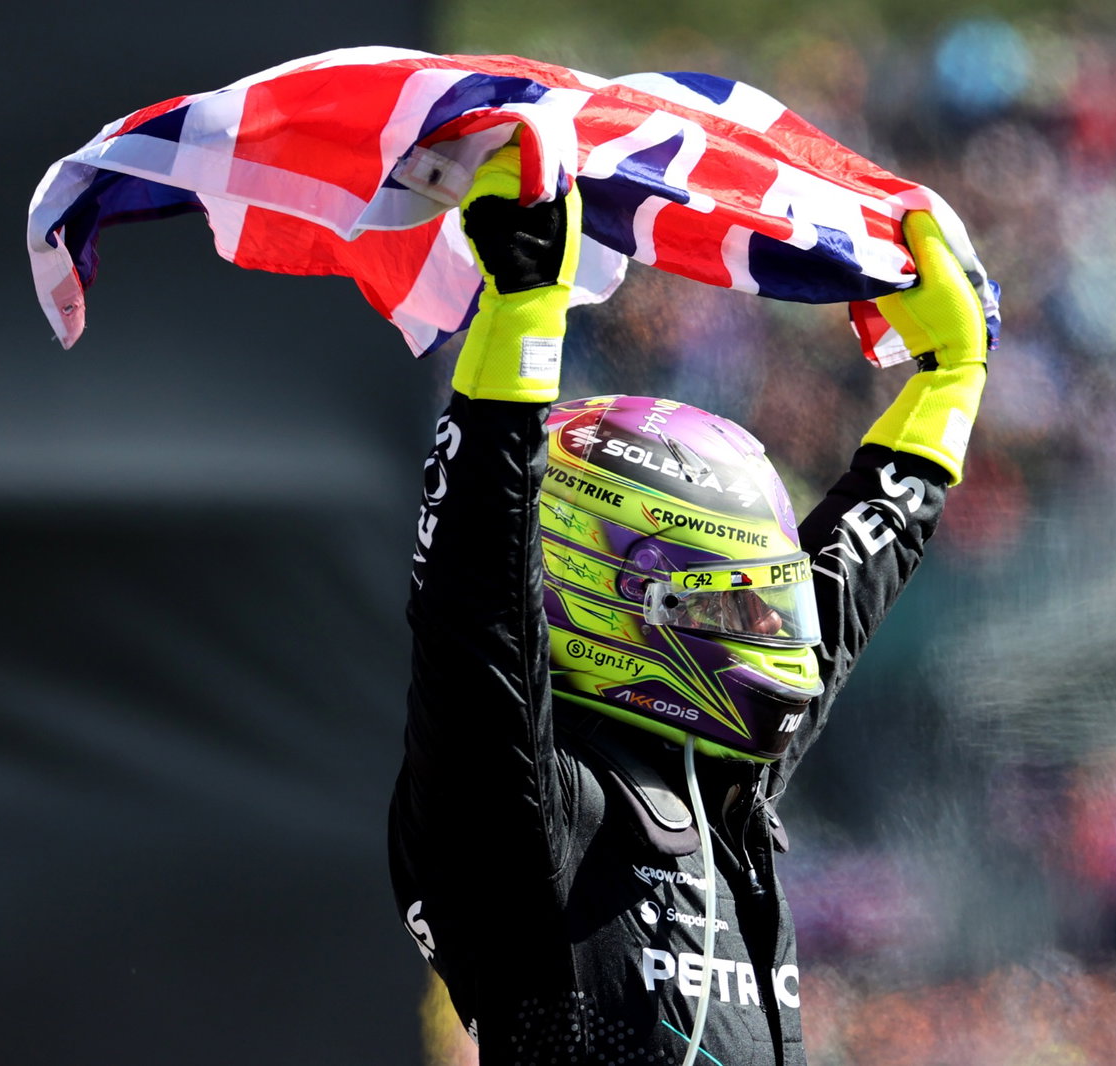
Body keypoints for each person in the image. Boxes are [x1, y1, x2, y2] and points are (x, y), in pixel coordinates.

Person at [387, 140, 989, 1065]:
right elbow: (473, 616)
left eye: (771, 605)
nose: (776, 634)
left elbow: (839, 590)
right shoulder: (525, 817)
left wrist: (946, 387)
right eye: (733, 609)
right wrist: (523, 313)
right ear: (618, 598)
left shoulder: (722, 788)